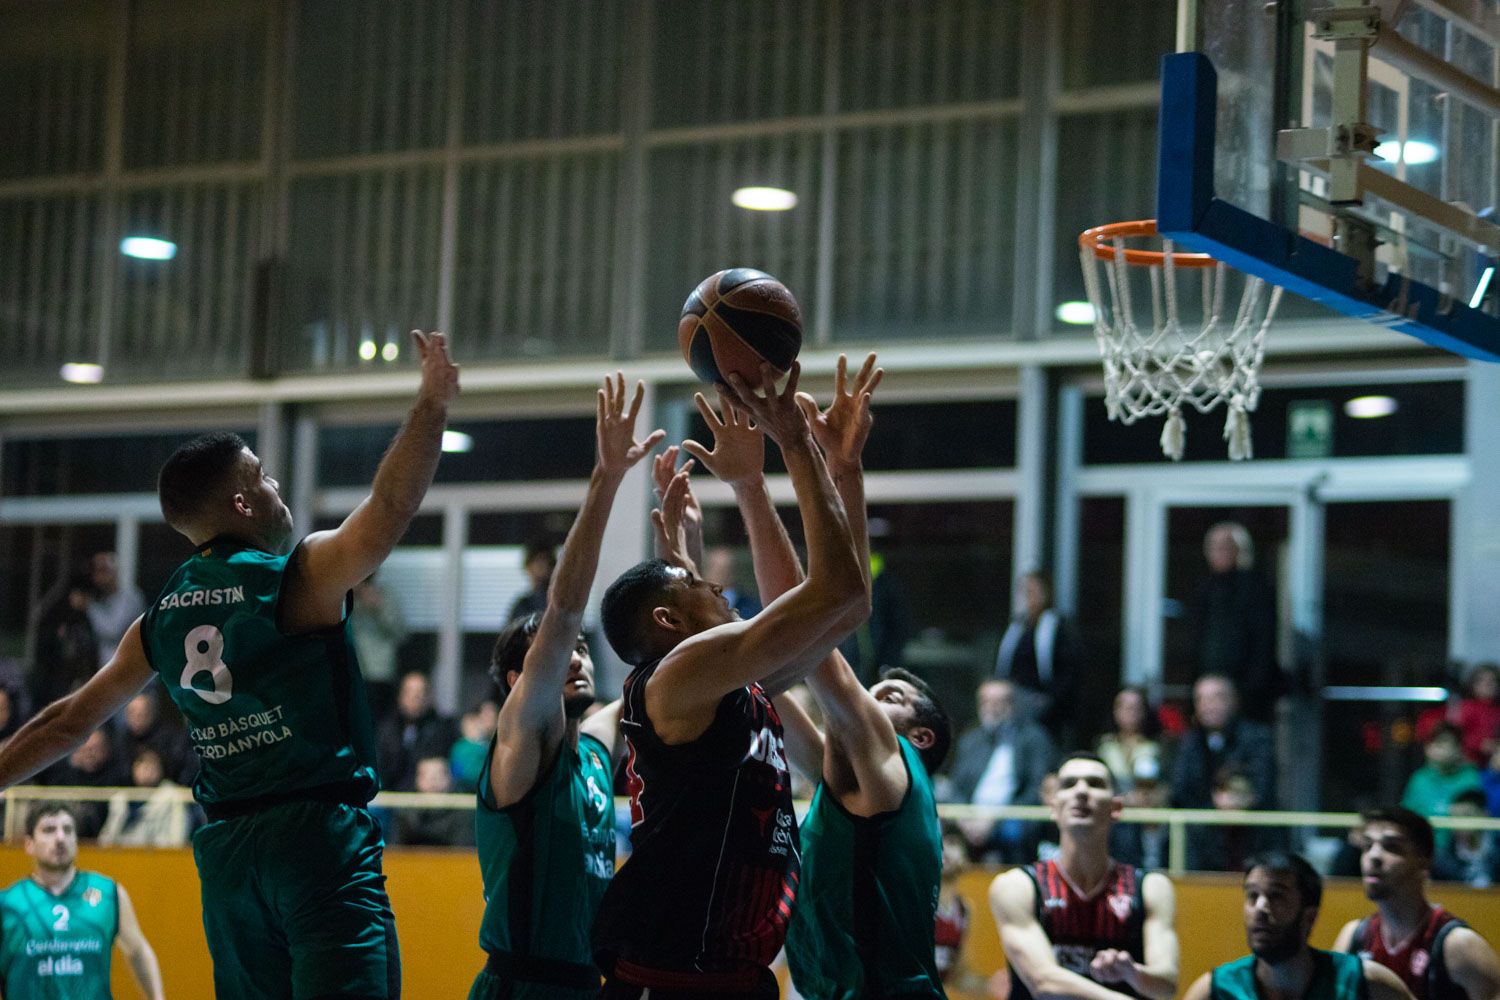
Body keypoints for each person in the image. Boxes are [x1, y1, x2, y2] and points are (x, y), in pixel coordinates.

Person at [0, 329, 460, 999]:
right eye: (265, 478)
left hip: (229, 858)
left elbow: (65, 723)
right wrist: (432, 406)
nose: (277, 488)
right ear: (243, 503)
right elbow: (389, 509)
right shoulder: (295, 579)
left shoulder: (157, 619)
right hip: (316, 840)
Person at [591, 361, 870, 999]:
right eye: (697, 583)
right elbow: (836, 590)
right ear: (667, 622)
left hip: (730, 975)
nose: (717, 585)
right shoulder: (676, 676)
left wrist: (823, 473)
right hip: (671, 976)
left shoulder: (726, 689)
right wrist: (793, 443)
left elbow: (846, 610)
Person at [700, 353, 956, 999]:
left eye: (892, 696)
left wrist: (766, 475)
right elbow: (787, 659)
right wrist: (841, 466)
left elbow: (818, 617)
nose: (872, 696)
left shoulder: (887, 759)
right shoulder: (852, 782)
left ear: (918, 737)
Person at [468, 372, 659, 1000]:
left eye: (583, 651)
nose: (577, 656)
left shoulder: (596, 749)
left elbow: (666, 667)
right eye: (558, 654)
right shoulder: (521, 742)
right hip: (523, 987)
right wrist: (606, 479)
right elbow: (563, 612)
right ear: (521, 680)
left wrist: (680, 548)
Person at [990, 751, 1180, 1000]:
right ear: (1053, 806)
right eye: (1069, 784)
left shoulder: (1151, 888)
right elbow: (1044, 981)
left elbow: (1166, 984)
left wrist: (1132, 972)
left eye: (1095, 783)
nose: (1081, 791)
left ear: (1116, 807)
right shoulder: (1017, 886)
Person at [1181, 853, 1411, 1000]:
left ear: (1309, 917)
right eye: (1252, 896)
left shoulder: (1365, 981)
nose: (1260, 908)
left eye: (1276, 896)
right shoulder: (1216, 989)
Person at [0, 803, 165, 1000]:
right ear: (29, 844)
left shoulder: (108, 893)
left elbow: (138, 950)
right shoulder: (8, 903)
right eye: (49, 830)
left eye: (68, 830)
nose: (60, 838)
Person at [1334, 806, 1500, 1000]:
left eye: (1392, 847)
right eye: (1367, 846)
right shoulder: (1353, 936)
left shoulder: (1457, 945)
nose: (1374, 856)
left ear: (1424, 861)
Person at [949, 678, 1056, 861]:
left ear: (1013, 704)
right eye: (985, 702)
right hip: (971, 819)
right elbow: (956, 787)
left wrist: (995, 820)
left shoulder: (1034, 738)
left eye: (999, 702)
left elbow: (1037, 789)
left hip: (1013, 818)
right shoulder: (971, 740)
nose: (991, 708)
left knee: (1013, 832)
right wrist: (964, 820)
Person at [1194, 523, 1282, 722]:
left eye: (1224, 547)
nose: (1217, 553)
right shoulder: (1205, 590)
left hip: (1248, 691)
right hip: (1210, 681)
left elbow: (1263, 640)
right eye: (1212, 547)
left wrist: (1250, 687)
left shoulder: (1255, 588)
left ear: (1239, 551)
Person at [995, 570, 1083, 743]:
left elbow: (1069, 668)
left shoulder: (1058, 626)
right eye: (1026, 591)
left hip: (1046, 707)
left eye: (1034, 591)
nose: (1030, 597)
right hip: (1014, 703)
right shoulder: (1017, 626)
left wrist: (1051, 700)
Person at [377, 670, 460, 791]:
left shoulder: (443, 730)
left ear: (429, 697)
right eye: (409, 692)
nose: (414, 699)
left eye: (420, 693)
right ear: (400, 696)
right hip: (389, 797)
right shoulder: (386, 729)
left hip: (427, 800)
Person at [100, 747, 195, 848]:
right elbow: (106, 838)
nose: (147, 770)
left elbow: (177, 837)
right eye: (142, 764)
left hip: (159, 856)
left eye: (152, 765)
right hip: (122, 857)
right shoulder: (120, 799)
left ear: (161, 769)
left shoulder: (173, 796)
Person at [32, 576, 99, 708]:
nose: (87, 602)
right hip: (54, 683)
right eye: (84, 596)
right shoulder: (56, 618)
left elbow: (89, 652)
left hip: (77, 682)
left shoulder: (85, 620)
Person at [1401, 724, 1483, 827]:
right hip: (1423, 840)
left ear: (1459, 749)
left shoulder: (1473, 778)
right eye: (1433, 743)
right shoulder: (1419, 779)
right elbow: (1406, 815)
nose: (1436, 748)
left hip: (1458, 841)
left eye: (1443, 743)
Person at [352, 575, 408, 721]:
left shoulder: (385, 595)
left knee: (377, 722)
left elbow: (400, 634)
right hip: (347, 671)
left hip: (378, 674)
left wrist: (378, 608)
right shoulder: (338, 594)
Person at [394, 756, 473, 848]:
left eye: (439, 775)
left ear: (449, 779)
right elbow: (394, 851)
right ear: (417, 780)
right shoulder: (404, 811)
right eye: (426, 775)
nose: (433, 782)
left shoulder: (463, 811)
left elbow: (463, 854)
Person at [85, 552, 145, 670]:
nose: (98, 577)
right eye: (96, 572)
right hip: (108, 671)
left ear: (115, 573)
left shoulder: (130, 597)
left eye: (103, 571)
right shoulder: (101, 600)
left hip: (132, 674)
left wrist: (88, 607)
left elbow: (113, 630)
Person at [1429, 790, 1500, 887]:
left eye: (1466, 816)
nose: (1460, 823)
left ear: (1485, 814)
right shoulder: (1442, 860)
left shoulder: (1497, 850)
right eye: (1454, 817)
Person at [1454, 665, 1500, 766]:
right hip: (1468, 762)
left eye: (1493, 681)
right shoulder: (1466, 707)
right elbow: (1455, 735)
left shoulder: (1497, 710)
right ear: (1473, 684)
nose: (1488, 684)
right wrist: (1479, 744)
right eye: (1482, 680)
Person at [505, 542, 556, 624]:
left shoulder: (560, 603)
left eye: (546, 561)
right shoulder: (522, 606)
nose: (543, 566)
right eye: (538, 561)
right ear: (528, 567)